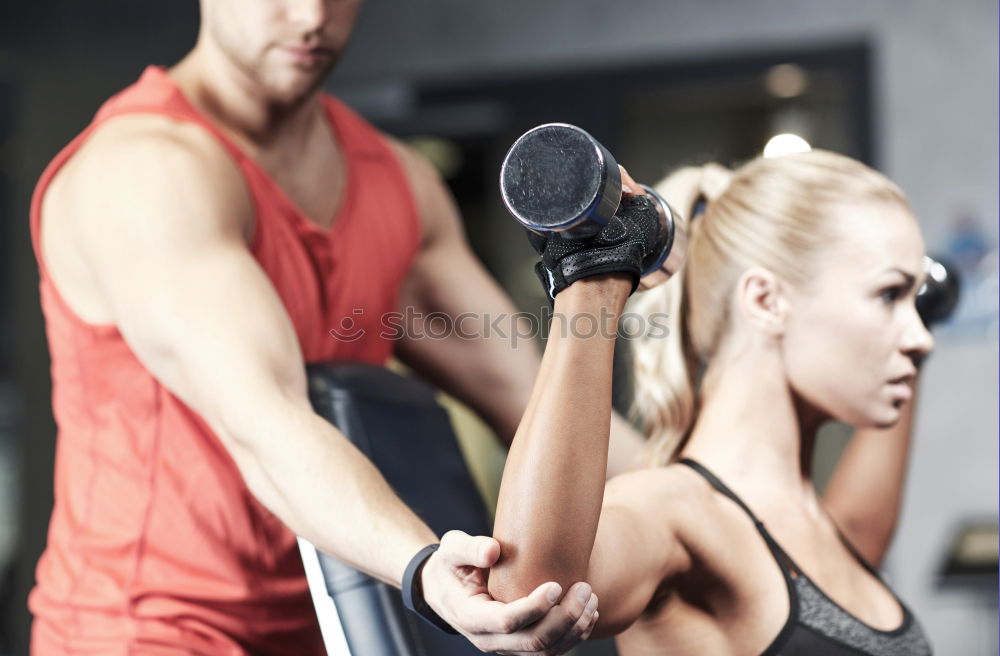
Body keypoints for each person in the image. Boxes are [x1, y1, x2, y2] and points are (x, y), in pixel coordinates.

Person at [28, 0, 654, 651]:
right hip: (141, 630)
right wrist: (425, 569)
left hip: (326, 628)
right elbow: (262, 420)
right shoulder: (144, 171)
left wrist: (728, 498)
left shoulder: (397, 183)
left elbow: (533, 398)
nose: (310, 17)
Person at [489, 151, 936, 655]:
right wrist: (591, 275)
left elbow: (866, 521)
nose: (922, 339)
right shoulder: (673, 515)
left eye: (917, 302)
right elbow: (527, 595)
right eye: (889, 294)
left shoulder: (824, 525)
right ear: (766, 301)